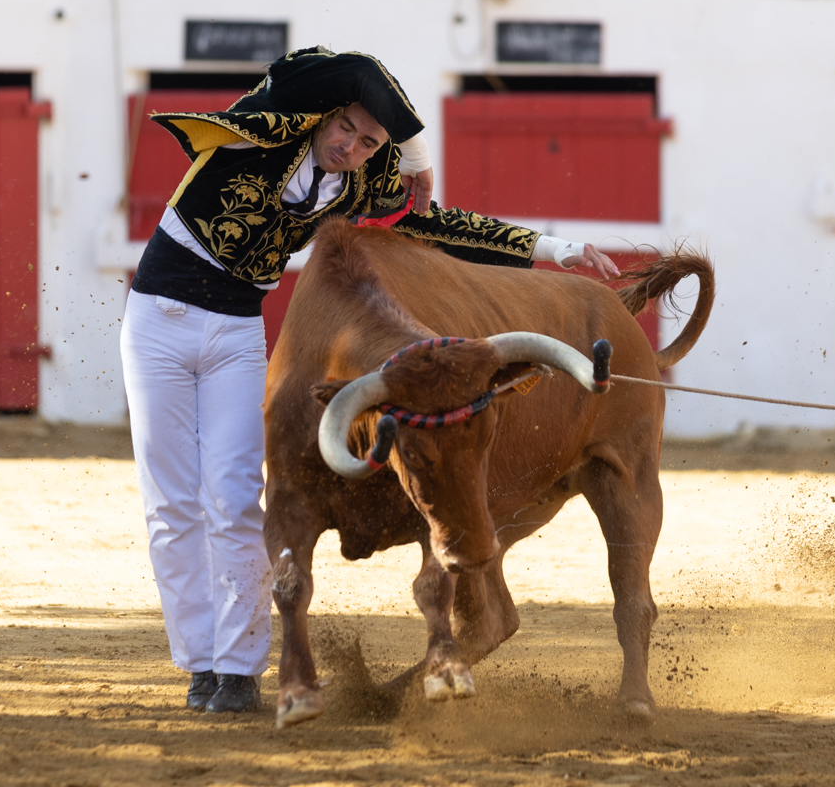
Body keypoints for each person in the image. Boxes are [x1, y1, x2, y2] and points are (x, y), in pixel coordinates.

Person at [119, 46, 620, 713]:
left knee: (234, 496)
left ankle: (237, 671)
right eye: (345, 128)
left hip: (236, 332)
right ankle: (199, 663)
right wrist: (415, 152)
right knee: (171, 499)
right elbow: (353, 67)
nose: (350, 146)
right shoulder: (266, 124)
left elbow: (446, 227)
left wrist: (556, 250)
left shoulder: (353, 187)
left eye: (367, 142)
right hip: (157, 318)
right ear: (325, 118)